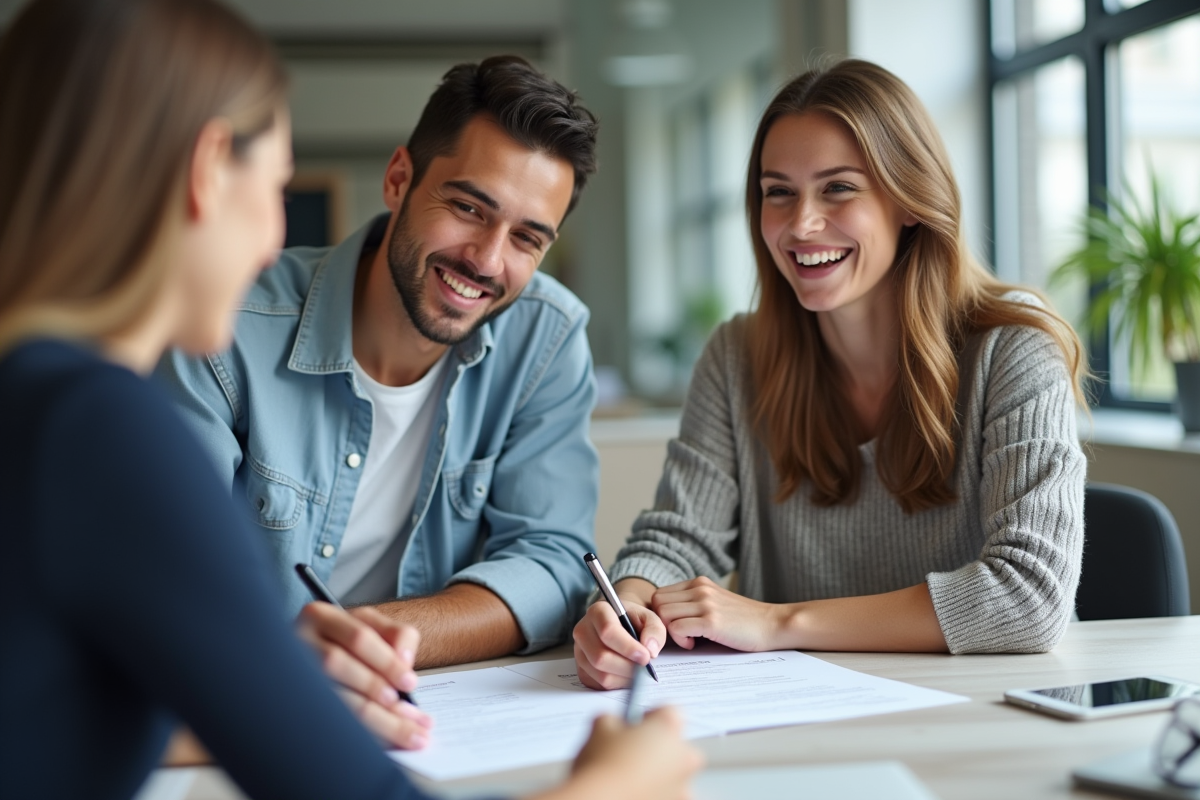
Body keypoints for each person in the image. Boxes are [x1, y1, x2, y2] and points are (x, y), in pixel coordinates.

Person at [0, 1, 702, 798]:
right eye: (274, 187)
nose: (274, 238)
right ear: (206, 173)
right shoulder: (100, 430)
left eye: (527, 236)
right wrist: (615, 787)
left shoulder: (42, 402)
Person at [573, 59, 1089, 690]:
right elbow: (678, 537)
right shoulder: (737, 356)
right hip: (794, 717)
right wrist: (627, 604)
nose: (800, 225)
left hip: (972, 717)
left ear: (908, 200)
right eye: (778, 192)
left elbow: (1029, 598)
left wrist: (779, 623)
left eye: (839, 188)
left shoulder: (1014, 351)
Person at [155, 52, 602, 741]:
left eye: (526, 238)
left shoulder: (546, 337)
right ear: (399, 179)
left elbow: (549, 562)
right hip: (233, 719)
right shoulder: (225, 329)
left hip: (433, 718)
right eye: (467, 207)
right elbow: (166, 583)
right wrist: (287, 664)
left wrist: (370, 639)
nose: (486, 259)